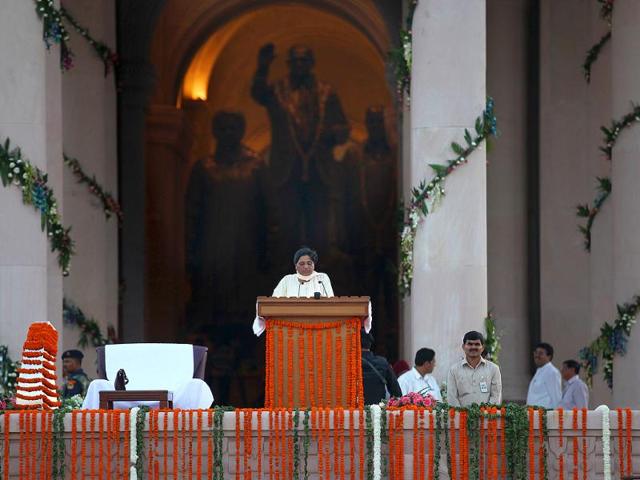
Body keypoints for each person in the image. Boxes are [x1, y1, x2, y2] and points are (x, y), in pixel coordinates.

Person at [251, 43, 350, 261]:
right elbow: (257, 93)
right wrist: (262, 67)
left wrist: (332, 133)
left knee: (318, 230)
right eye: (294, 61)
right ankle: (287, 284)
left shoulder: (326, 92)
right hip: (287, 171)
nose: (299, 66)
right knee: (287, 228)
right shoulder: (277, 90)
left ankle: (317, 283)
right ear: (288, 64)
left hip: (318, 170)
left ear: (312, 64)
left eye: (304, 61)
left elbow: (343, 127)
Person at [185, 111, 275, 329]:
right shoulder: (204, 168)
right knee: (213, 309)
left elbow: (268, 214)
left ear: (241, 132)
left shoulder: (255, 167)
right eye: (223, 128)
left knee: (244, 308)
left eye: (233, 128)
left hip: (247, 250)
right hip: (212, 252)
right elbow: (191, 215)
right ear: (215, 132)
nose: (228, 133)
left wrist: (268, 253)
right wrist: (191, 255)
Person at [447, 331, 502, 407]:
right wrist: (462, 414)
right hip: (462, 416)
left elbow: (496, 396)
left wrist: (485, 413)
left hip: (486, 416)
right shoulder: (454, 370)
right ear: (463, 347)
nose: (473, 347)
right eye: (470, 344)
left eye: (477, 344)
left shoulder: (493, 369)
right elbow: (452, 397)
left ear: (482, 347)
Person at [360, 330, 402, 405]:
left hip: (352, 412)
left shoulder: (349, 364)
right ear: (370, 344)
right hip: (378, 412)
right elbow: (397, 392)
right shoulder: (382, 363)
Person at [526, 342, 562, 409]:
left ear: (549, 356)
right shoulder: (540, 370)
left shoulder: (552, 372)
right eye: (536, 352)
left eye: (540, 353)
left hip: (545, 416)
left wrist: (555, 417)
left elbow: (556, 397)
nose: (537, 355)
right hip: (534, 414)